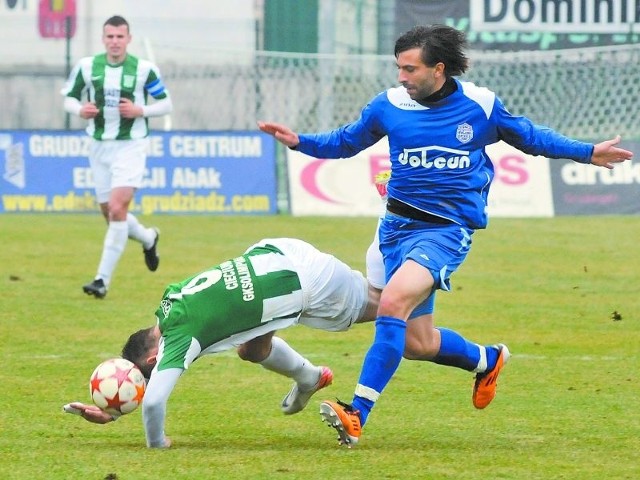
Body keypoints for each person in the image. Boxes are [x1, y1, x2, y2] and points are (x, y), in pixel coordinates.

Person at [258, 24, 633, 447]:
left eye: (409, 68)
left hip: (444, 232)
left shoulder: (480, 105)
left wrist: (587, 151)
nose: (401, 76)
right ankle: (487, 359)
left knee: (393, 303)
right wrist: (299, 141)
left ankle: (356, 413)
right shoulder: (390, 105)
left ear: (438, 68)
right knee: (418, 343)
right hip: (394, 230)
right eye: (398, 67)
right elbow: (347, 141)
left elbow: (530, 138)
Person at [63, 237, 380, 448]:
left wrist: (157, 443)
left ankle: (427, 266)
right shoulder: (171, 300)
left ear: (151, 361)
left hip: (307, 282)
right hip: (275, 252)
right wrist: (114, 411)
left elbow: (154, 402)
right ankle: (310, 377)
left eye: (154, 371)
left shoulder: (178, 338)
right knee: (252, 349)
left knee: (392, 308)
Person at [61, 15, 173, 299]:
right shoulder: (87, 66)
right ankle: (148, 238)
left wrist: (141, 111)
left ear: (128, 39)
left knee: (117, 207)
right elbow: (68, 98)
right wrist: (79, 110)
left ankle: (101, 280)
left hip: (131, 145)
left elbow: (166, 103)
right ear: (103, 39)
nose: (114, 42)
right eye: (109, 36)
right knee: (111, 214)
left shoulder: (143, 70)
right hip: (98, 146)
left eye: (119, 37)